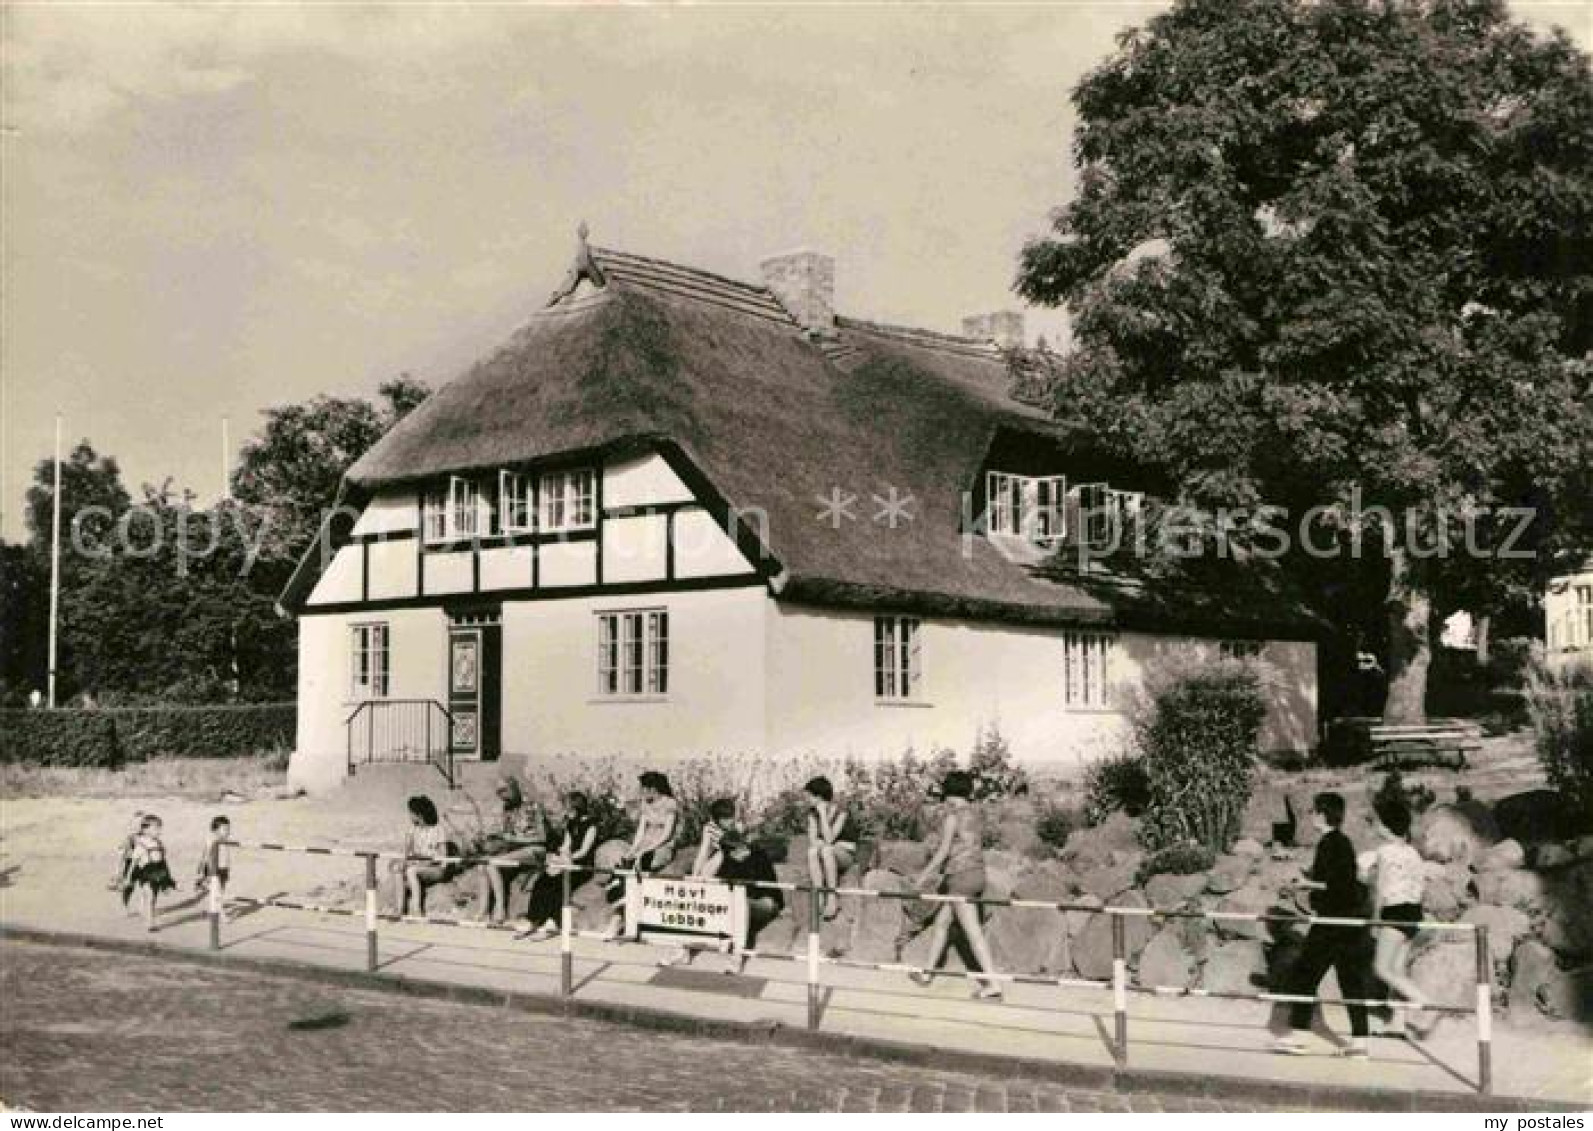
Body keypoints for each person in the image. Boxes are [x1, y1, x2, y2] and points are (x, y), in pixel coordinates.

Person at [1273, 792, 1374, 1058]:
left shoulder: (1329, 844)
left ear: (1322, 814)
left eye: (1313, 811)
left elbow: (1338, 885)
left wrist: (1306, 884)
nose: (1311, 816)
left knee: (1304, 976)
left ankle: (1299, 1036)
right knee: (1350, 981)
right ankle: (1360, 1042)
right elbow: (1342, 878)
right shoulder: (1343, 843)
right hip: (1349, 922)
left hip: (1331, 922)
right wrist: (1310, 878)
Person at [908, 771, 1002, 1001]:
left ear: (949, 793)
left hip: (960, 878)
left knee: (973, 933)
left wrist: (923, 876)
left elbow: (943, 852)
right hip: (978, 874)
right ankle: (927, 974)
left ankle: (993, 985)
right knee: (942, 923)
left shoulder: (952, 817)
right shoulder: (975, 815)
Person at [1359, 794, 1433, 1037]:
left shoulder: (1385, 851)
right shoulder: (1413, 853)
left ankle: (1425, 1004)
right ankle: (1397, 1022)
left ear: (1385, 825)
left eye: (1377, 822)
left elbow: (1382, 887)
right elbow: (1419, 886)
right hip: (1414, 912)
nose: (1375, 826)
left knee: (1381, 968)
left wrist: (1376, 919)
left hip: (1394, 911)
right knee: (1398, 970)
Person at [602, 772, 678, 940]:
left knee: (640, 865)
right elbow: (641, 831)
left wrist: (647, 849)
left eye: (644, 788)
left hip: (661, 845)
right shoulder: (645, 803)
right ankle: (618, 915)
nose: (641, 792)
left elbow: (667, 833)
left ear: (654, 789)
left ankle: (623, 918)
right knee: (623, 864)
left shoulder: (670, 803)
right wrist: (634, 849)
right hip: (645, 843)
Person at [517, 791, 600, 941]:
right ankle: (533, 920)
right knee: (542, 881)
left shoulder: (591, 826)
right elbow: (566, 844)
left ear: (576, 808)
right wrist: (559, 856)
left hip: (581, 866)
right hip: (567, 861)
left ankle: (553, 922)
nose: (566, 812)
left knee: (557, 886)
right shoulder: (570, 823)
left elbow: (583, 851)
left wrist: (567, 859)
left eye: (568, 809)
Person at [475, 776, 549, 925]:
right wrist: (492, 840)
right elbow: (508, 835)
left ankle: (500, 909)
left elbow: (542, 837)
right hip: (517, 851)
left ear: (514, 787)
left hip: (535, 850)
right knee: (482, 865)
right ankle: (483, 910)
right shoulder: (507, 808)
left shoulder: (532, 805)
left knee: (493, 863)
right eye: (498, 793)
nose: (501, 796)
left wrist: (512, 839)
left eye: (503, 791)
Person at [804, 776, 857, 921]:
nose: (807, 800)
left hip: (846, 855)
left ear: (819, 796)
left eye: (809, 796)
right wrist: (826, 843)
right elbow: (813, 841)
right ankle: (820, 895)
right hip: (830, 850)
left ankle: (832, 897)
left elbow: (828, 838)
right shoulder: (811, 813)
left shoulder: (841, 812)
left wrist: (822, 815)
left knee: (826, 850)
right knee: (812, 852)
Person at [400, 795, 458, 917]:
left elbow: (443, 857)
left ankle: (417, 909)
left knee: (411, 871)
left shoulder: (438, 830)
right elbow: (406, 853)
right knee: (399, 872)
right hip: (419, 865)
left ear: (419, 814)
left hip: (436, 868)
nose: (409, 816)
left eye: (411, 813)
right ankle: (400, 909)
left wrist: (425, 861)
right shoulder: (413, 830)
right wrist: (408, 842)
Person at [128, 814, 176, 932]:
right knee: (149, 896)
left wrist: (168, 878)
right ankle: (150, 923)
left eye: (160, 828)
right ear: (145, 830)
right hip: (146, 873)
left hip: (158, 872)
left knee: (153, 897)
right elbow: (134, 862)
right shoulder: (141, 844)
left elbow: (163, 860)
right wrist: (129, 877)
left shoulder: (159, 843)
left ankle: (146, 913)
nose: (159, 831)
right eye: (156, 828)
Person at [109, 811, 145, 914]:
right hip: (131, 864)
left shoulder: (148, 837)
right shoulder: (129, 838)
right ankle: (124, 904)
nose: (140, 826)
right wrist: (117, 871)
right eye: (137, 823)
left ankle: (143, 907)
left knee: (145, 886)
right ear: (132, 824)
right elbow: (121, 855)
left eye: (142, 824)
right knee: (130, 886)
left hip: (144, 863)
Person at [194, 815, 233, 910]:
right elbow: (205, 853)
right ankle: (222, 913)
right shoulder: (211, 839)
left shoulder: (227, 840)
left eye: (228, 828)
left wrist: (228, 867)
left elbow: (226, 856)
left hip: (224, 869)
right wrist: (201, 867)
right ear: (215, 830)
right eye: (224, 829)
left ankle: (204, 884)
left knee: (221, 891)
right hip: (213, 868)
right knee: (218, 892)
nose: (227, 831)